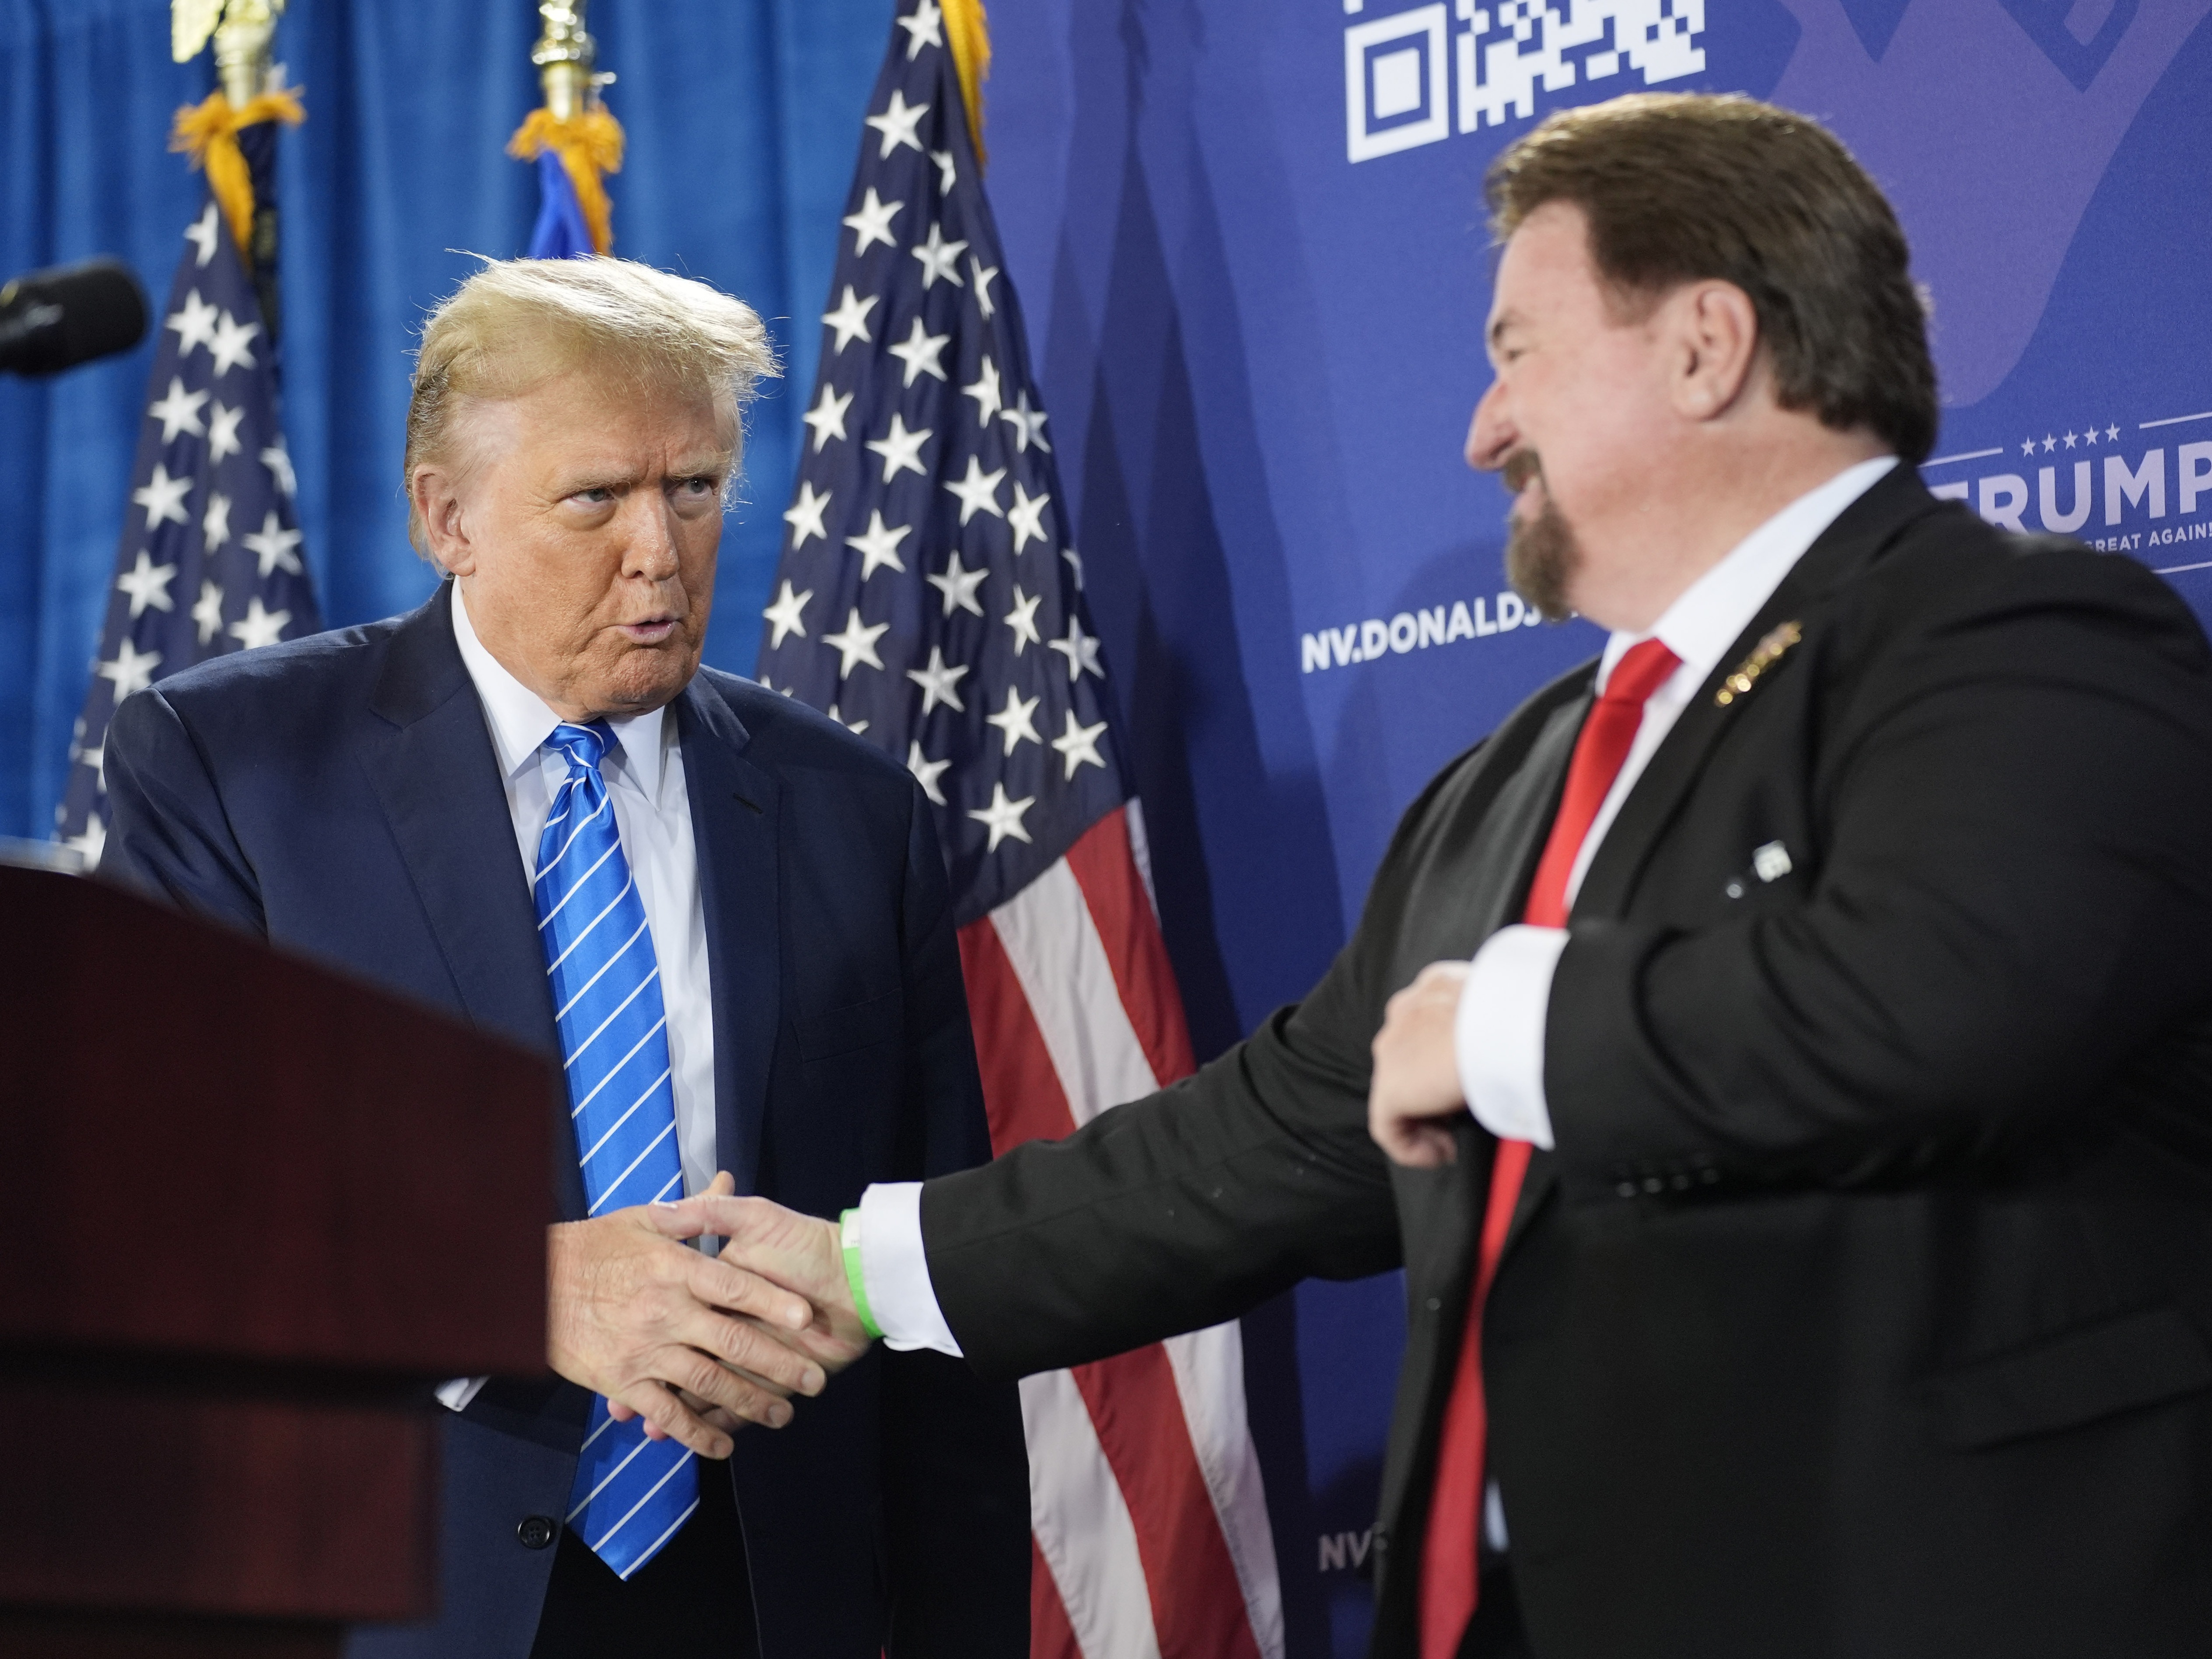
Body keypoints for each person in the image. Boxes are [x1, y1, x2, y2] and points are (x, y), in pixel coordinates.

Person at [678, 93, 2212, 1659]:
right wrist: (859, 1268)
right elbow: (1271, 1138)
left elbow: (1934, 1001)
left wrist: (1505, 1028)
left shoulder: (2022, 641)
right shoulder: (1524, 772)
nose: (1480, 427)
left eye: (1516, 352)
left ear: (1705, 346)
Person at [103, 256, 1029, 1659]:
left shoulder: (856, 811)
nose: (657, 551)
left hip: (772, 1596)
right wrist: (518, 1290)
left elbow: (933, 1308)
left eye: (695, 488)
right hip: (389, 1594)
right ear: (445, 515)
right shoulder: (236, 768)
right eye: (594, 496)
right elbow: (154, 1202)